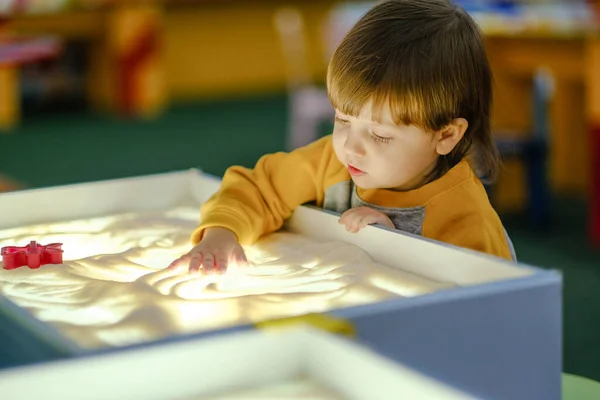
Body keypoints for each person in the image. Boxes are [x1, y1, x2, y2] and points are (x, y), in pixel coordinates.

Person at [170, 0, 515, 274]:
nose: (351, 146)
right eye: (343, 119)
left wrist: (391, 247)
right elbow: (257, 187)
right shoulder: (332, 162)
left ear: (446, 135)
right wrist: (221, 235)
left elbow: (483, 314)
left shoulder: (467, 220)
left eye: (380, 135)